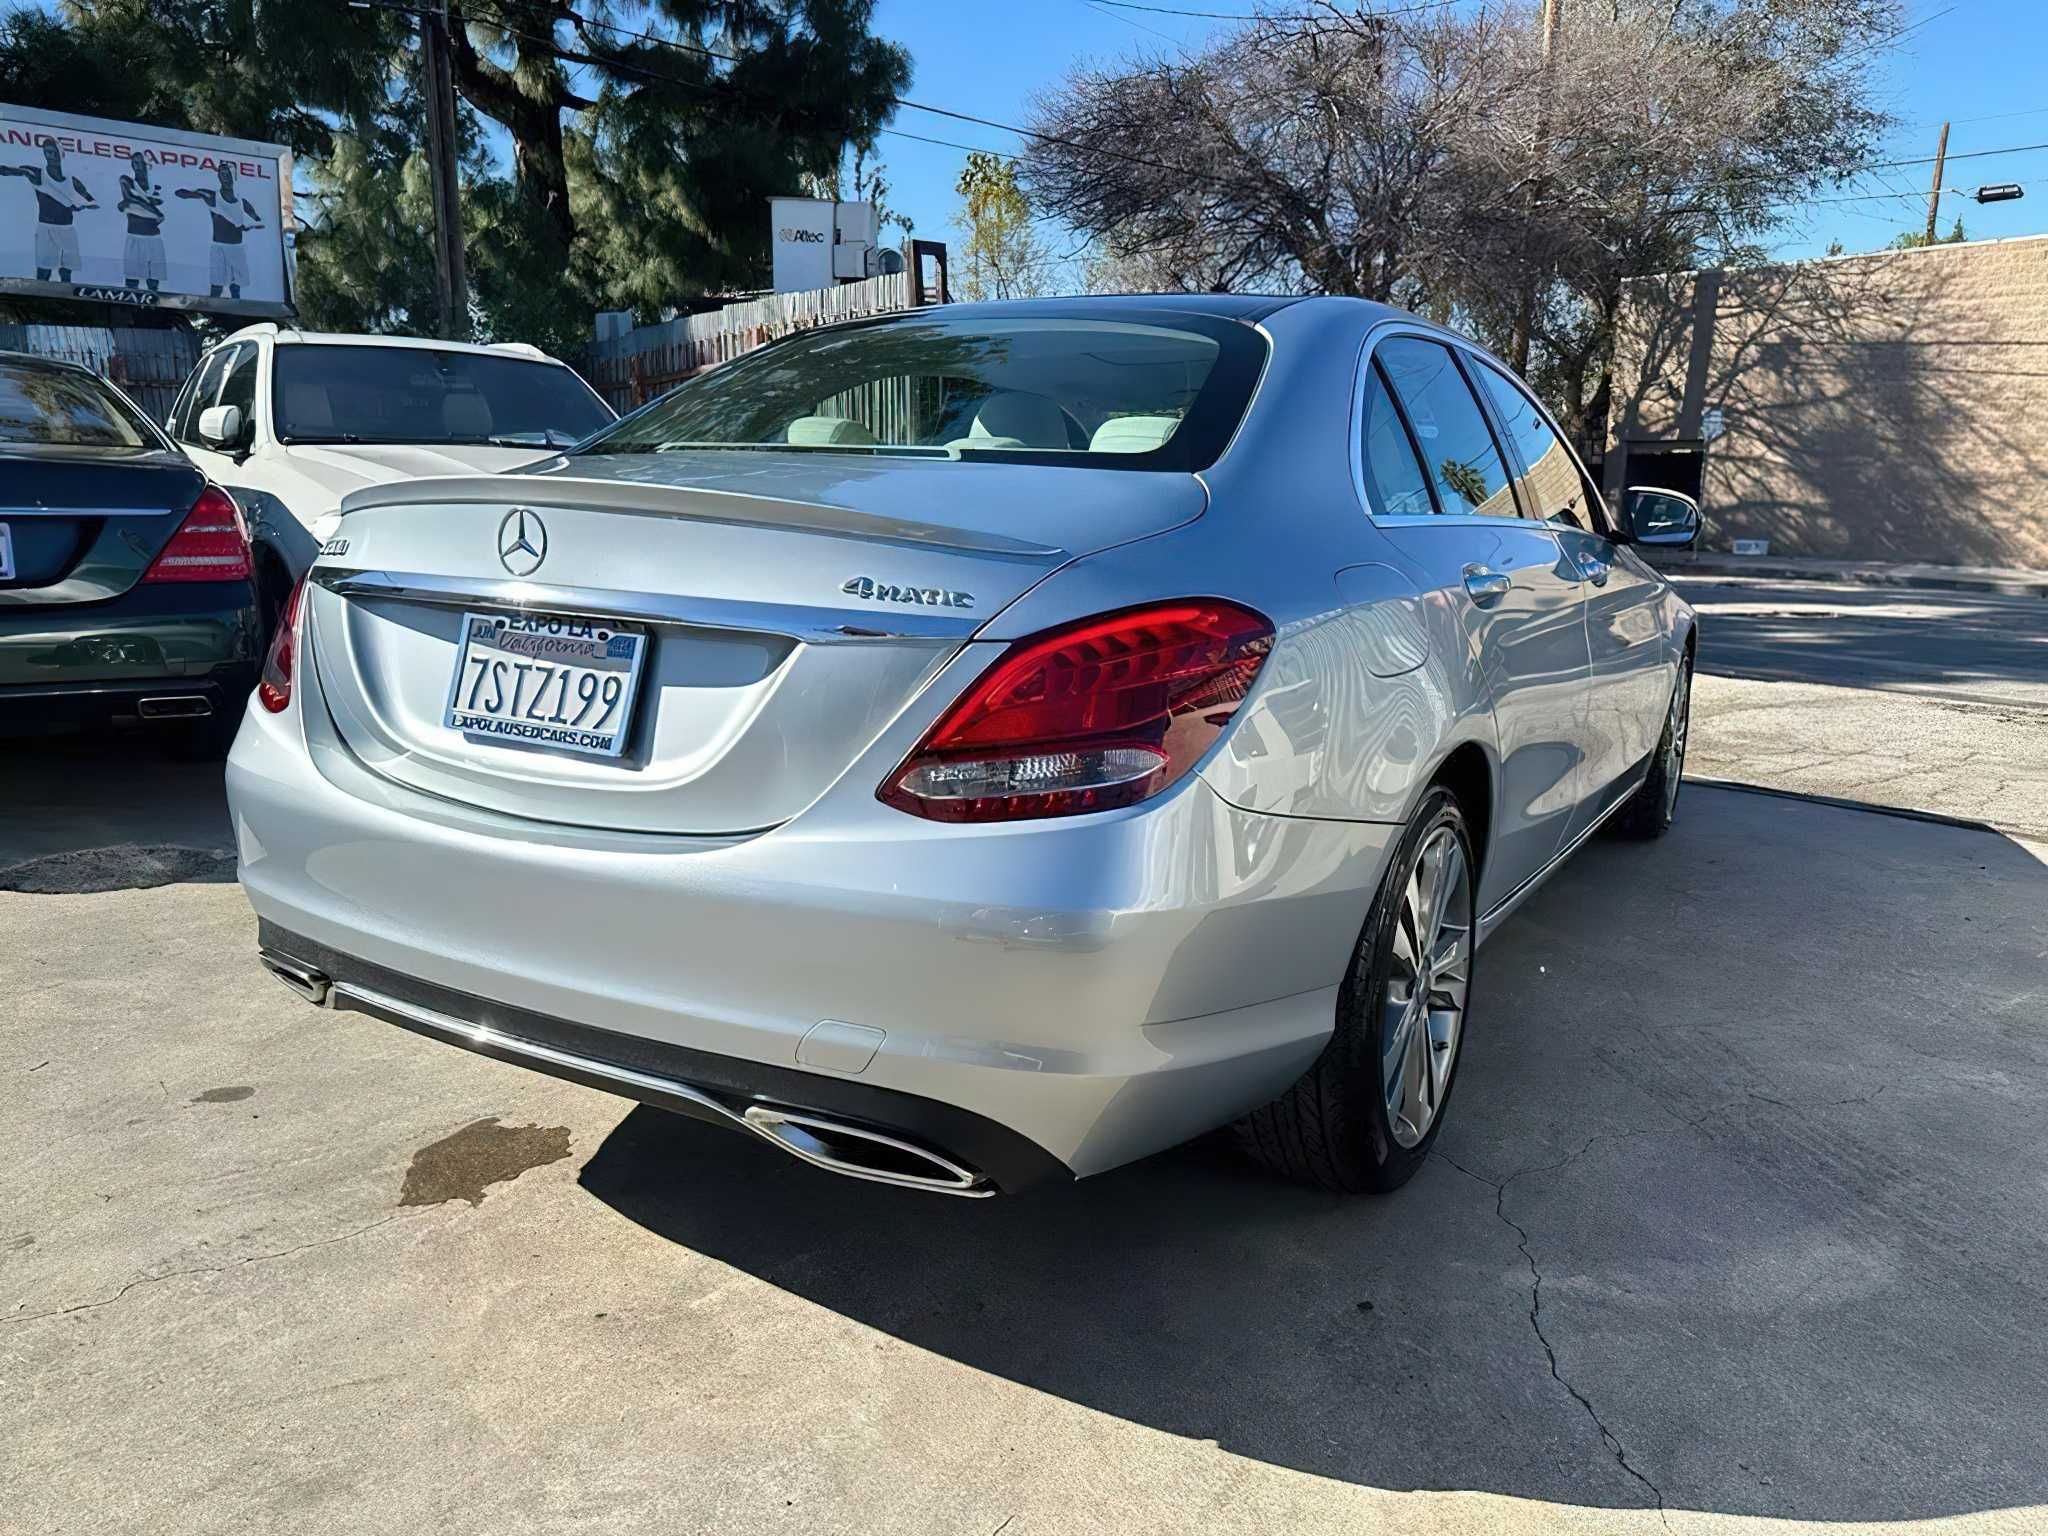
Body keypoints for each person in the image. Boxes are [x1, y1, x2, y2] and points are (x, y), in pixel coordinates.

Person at [0, 139, 97, 283]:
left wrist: (82, 206)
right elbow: (9, 170)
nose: (51, 156)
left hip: (67, 230)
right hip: (46, 229)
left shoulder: (72, 181)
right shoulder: (37, 174)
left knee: (66, 273)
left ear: (60, 153)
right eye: (47, 153)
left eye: (53, 152)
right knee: (43, 272)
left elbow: (92, 201)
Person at [177, 162, 262, 300]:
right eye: (223, 174)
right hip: (218, 248)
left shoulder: (242, 202)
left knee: (236, 288)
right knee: (216, 287)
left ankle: (236, 314)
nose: (226, 177)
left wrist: (251, 226)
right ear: (218, 177)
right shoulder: (211, 196)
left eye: (228, 174)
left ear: (234, 177)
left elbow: (259, 221)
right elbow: (181, 193)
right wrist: (195, 192)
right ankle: (211, 311)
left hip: (237, 249)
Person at [116, 151, 167, 292]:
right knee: (131, 281)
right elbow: (132, 199)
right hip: (134, 236)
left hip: (153, 238)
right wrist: (156, 212)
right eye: (135, 162)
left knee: (153, 281)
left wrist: (127, 205)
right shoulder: (126, 180)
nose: (137, 166)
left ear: (147, 165)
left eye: (141, 163)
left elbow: (156, 202)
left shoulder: (156, 186)